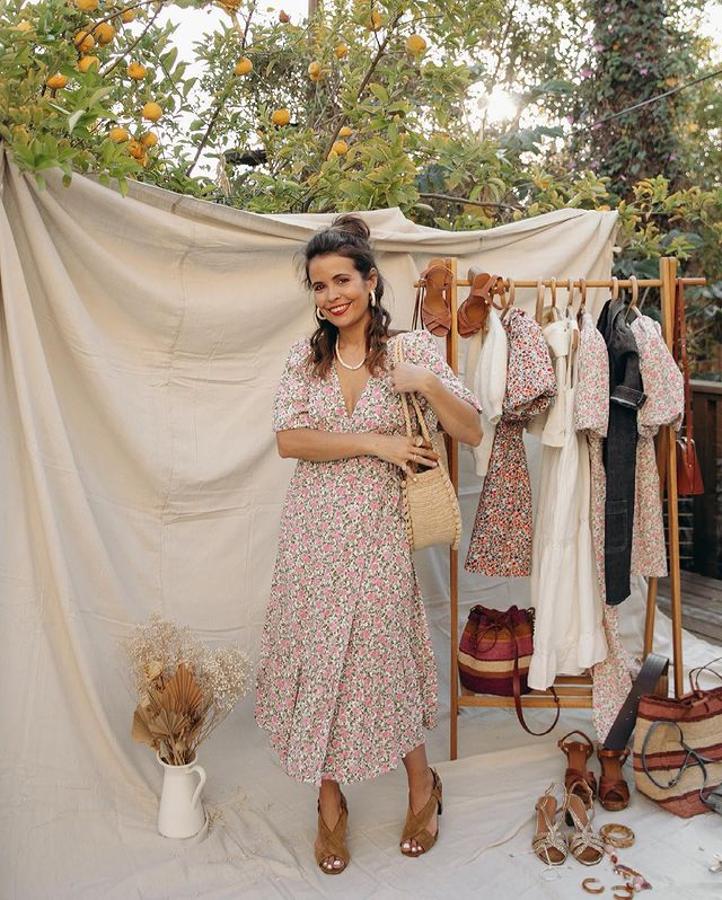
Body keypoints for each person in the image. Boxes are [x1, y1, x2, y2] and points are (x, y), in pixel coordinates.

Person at [255, 214, 481, 874]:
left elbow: (469, 432)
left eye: (342, 280)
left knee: (382, 658)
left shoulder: (411, 351)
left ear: (371, 281)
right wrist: (376, 442)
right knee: (314, 659)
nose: (331, 295)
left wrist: (432, 385)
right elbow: (289, 439)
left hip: (379, 534)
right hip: (311, 536)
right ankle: (330, 804)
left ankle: (422, 787)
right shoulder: (307, 356)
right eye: (319, 285)